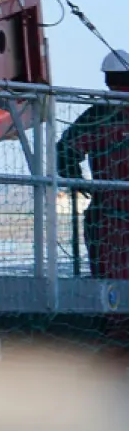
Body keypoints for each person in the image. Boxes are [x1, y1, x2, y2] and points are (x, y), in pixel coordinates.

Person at [59, 50, 129, 282]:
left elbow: (65, 150)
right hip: (110, 211)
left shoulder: (97, 114)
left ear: (107, 79)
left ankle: (109, 315)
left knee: (108, 278)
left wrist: (77, 181)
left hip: (106, 213)